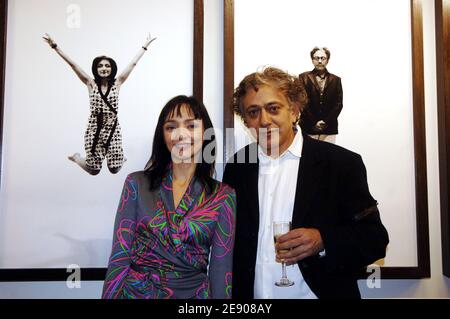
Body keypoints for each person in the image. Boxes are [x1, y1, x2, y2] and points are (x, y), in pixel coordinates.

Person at [223, 66, 388, 299]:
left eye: (273, 108)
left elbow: (375, 239)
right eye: (253, 112)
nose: (264, 120)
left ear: (294, 110)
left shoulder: (340, 163)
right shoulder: (237, 167)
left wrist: (323, 240)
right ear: (246, 121)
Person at [102, 95, 236, 299]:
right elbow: (120, 255)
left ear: (205, 133)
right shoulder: (136, 184)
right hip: (136, 294)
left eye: (191, 126)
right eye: (171, 127)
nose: (181, 134)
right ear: (162, 136)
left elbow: (221, 270)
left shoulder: (223, 196)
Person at [42, 33, 156, 175]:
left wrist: (144, 46)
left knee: (114, 169)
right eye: (100, 66)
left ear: (112, 68)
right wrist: (55, 47)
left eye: (107, 65)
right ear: (96, 69)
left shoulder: (117, 83)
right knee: (94, 170)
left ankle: (119, 157)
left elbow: (132, 64)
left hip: (112, 127)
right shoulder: (90, 84)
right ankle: (77, 158)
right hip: (94, 127)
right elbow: (73, 65)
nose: (104, 68)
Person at [299, 47, 343, 143]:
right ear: (312, 60)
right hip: (308, 127)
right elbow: (301, 102)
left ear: (327, 60)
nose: (319, 61)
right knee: (309, 157)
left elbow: (338, 104)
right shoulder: (303, 77)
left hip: (329, 129)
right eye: (316, 58)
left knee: (328, 157)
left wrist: (325, 122)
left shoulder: (336, 80)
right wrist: (314, 122)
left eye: (323, 58)